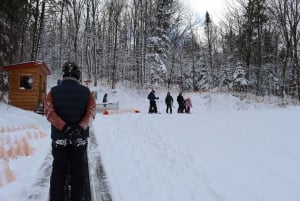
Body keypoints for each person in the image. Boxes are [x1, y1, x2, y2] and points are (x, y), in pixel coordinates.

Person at [44, 61, 96, 201]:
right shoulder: (86, 92)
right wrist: (80, 127)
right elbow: (91, 112)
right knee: (78, 173)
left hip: (59, 139)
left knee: (58, 173)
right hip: (79, 139)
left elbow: (49, 112)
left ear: (64, 73)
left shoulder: (53, 92)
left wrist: (64, 127)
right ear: (78, 74)